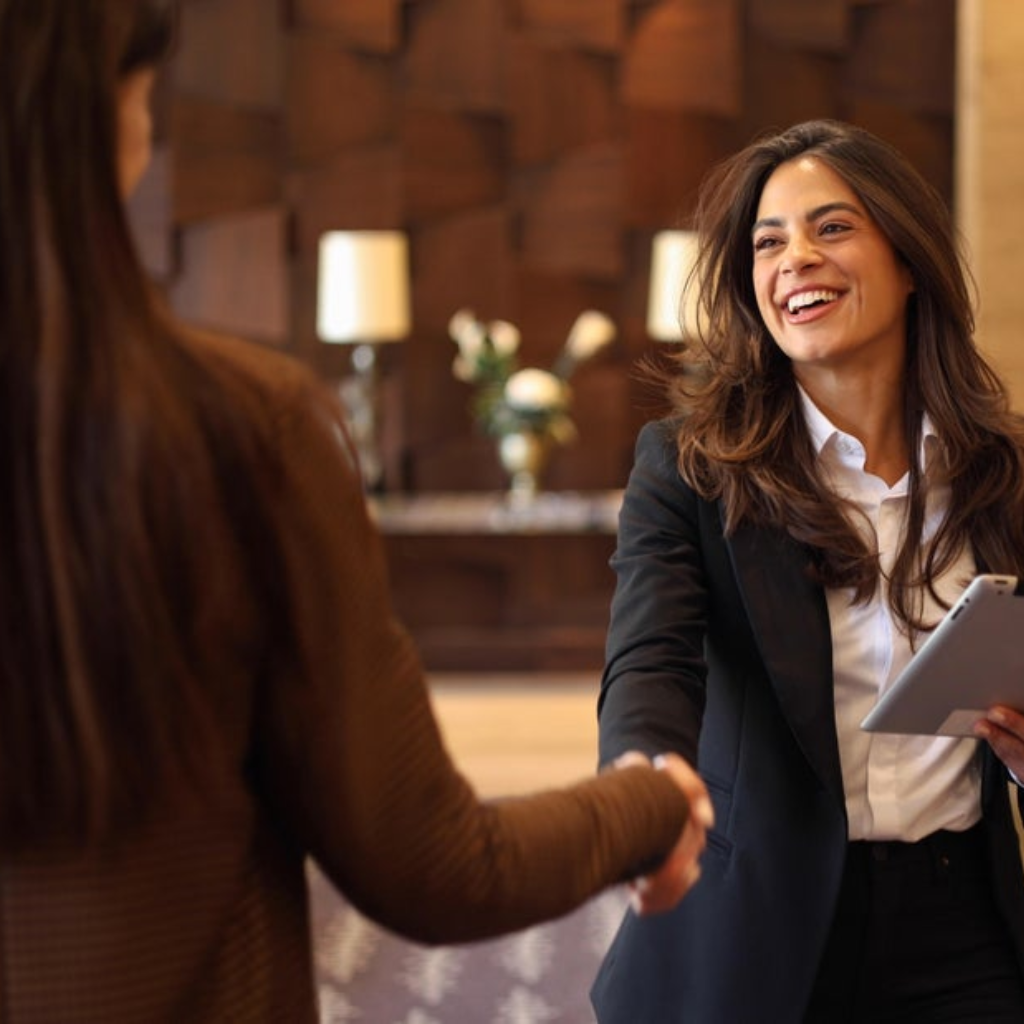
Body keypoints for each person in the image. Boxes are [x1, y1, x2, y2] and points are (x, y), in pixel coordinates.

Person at [0, 1, 714, 1019]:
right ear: (102, 124)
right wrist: (647, 807)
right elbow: (429, 859)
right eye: (144, 96)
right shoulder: (240, 430)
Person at [591, 118, 1024, 1023]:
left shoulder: (1002, 469)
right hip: (758, 924)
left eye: (832, 228)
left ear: (908, 261)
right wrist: (645, 780)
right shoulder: (689, 466)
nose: (796, 259)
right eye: (768, 242)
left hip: (963, 920)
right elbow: (651, 660)